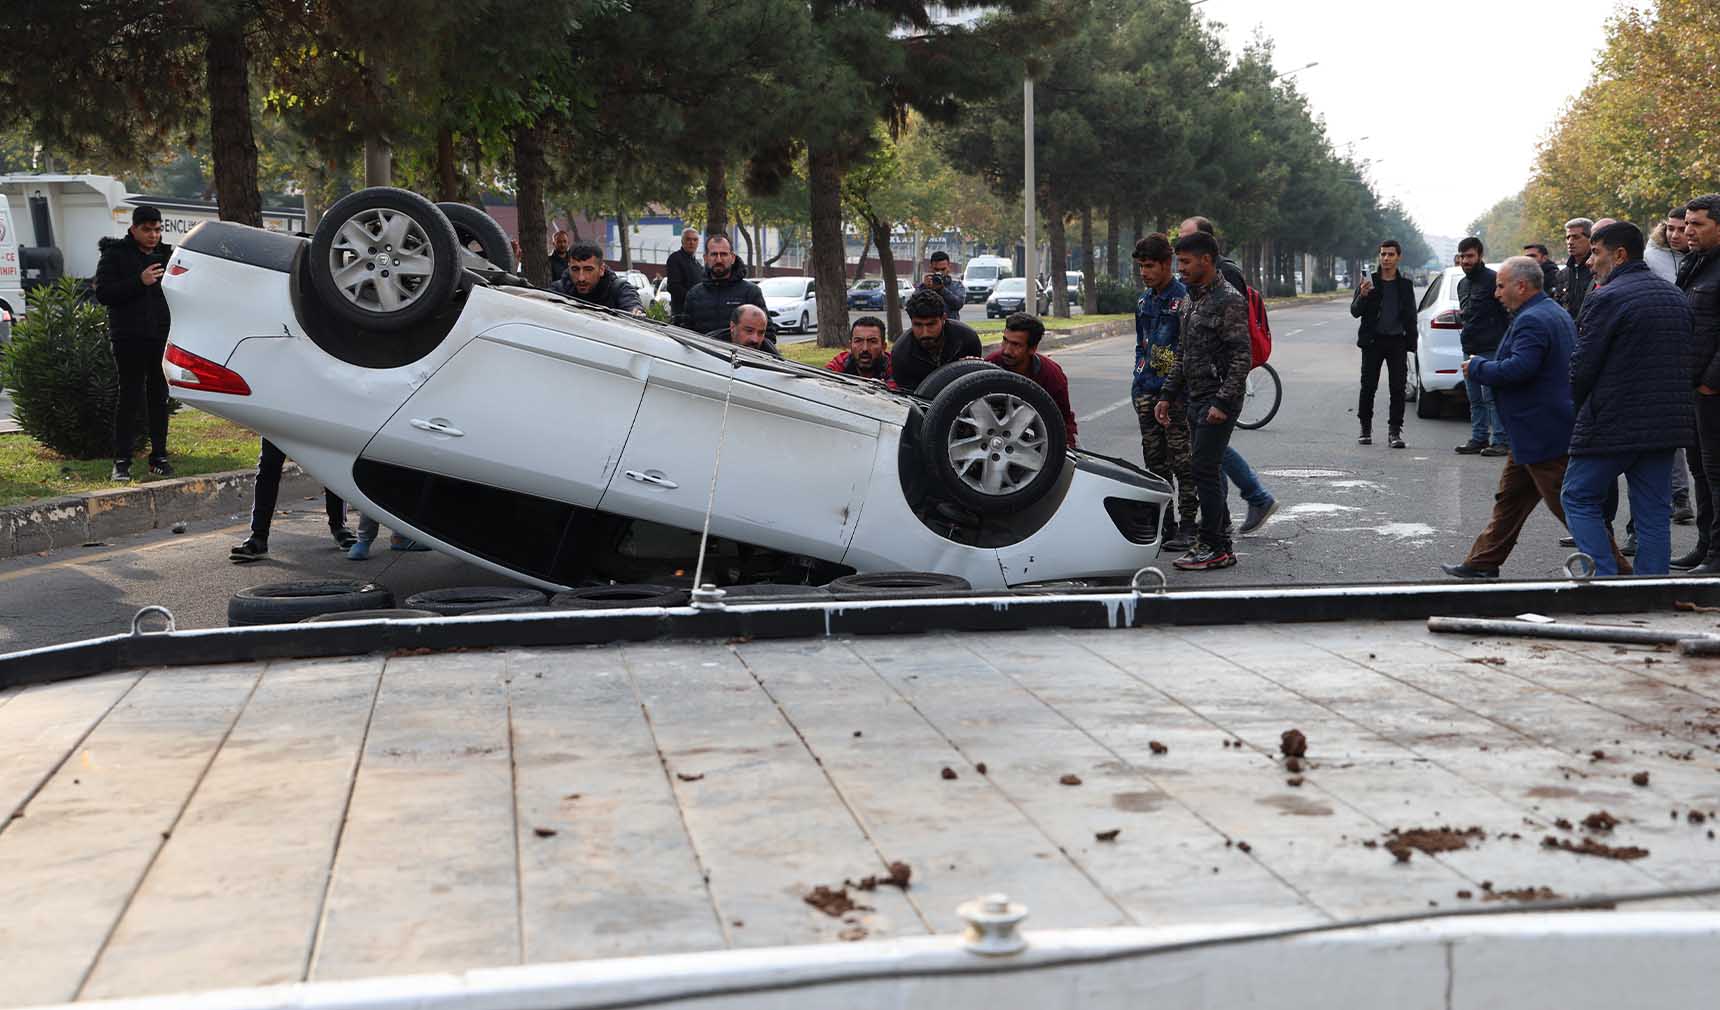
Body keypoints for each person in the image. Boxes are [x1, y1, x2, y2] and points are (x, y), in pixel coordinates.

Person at [1441, 258, 1626, 578]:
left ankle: (1620, 572)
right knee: (1510, 499)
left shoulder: (1534, 319)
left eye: (1501, 286)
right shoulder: (1550, 311)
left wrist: (1478, 368)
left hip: (1543, 432)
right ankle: (1483, 562)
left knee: (1572, 508)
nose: (1496, 293)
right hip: (1531, 431)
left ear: (1521, 286)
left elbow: (1520, 368)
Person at [1560, 222, 1693, 577]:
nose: (1590, 261)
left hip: (1612, 422)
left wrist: (1577, 409)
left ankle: (1604, 579)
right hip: (1665, 427)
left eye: (1597, 253)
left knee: (1577, 496)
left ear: (1619, 255)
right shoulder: (1675, 297)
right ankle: (1652, 589)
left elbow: (1582, 366)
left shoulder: (1606, 298)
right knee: (1652, 513)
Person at [1154, 230, 1251, 571]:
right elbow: (1182, 353)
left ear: (1206, 260)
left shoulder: (1229, 299)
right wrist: (1167, 394)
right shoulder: (1190, 300)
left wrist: (1223, 403)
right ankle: (1218, 540)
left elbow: (1242, 357)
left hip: (1217, 398)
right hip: (1193, 396)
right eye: (1178, 262)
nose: (1180, 269)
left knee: (1203, 470)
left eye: (1185, 262)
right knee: (1204, 469)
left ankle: (1214, 545)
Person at [1178, 216, 1279, 534]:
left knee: (1209, 454)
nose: (1179, 256)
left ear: (1204, 249)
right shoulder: (1194, 285)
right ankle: (1221, 517)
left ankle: (1231, 515)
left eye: (1185, 239)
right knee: (1207, 454)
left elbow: (1233, 338)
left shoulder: (1225, 278)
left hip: (1218, 382)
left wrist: (1223, 393)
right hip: (1199, 379)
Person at [94, 205, 174, 481]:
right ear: (134, 229)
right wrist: (139, 281)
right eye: (147, 229)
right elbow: (103, 293)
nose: (153, 235)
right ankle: (122, 461)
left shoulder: (166, 254)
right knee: (129, 397)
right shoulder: (115, 254)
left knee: (159, 398)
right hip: (128, 337)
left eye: (157, 229)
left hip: (160, 337)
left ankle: (159, 457)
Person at [1131, 234, 1198, 549]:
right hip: (1147, 391)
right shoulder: (1145, 301)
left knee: (1183, 463)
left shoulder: (1184, 298)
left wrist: (1173, 392)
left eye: (1149, 266)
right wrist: (1138, 383)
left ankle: (1188, 525)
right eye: (1141, 266)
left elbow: (1188, 350)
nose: (1144, 272)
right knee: (1155, 464)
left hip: (1176, 396)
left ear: (1166, 264)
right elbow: (1140, 346)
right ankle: (1165, 524)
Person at [1677, 194, 1720, 573]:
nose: (1688, 230)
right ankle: (1706, 547)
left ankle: (1717, 558)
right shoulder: (1695, 264)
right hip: (1692, 389)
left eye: (1697, 224)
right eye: (1687, 223)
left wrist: (1710, 383)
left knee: (1716, 473)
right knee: (1702, 474)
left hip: (1712, 392)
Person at [229, 439, 357, 562]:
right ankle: (258, 537)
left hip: (317, 420)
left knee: (330, 463)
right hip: (279, 420)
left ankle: (339, 527)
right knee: (268, 467)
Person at [1351, 238, 1418, 449]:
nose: (1386, 258)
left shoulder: (1405, 285)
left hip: (1397, 341)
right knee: (1368, 386)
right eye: (1383, 254)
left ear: (1398, 257)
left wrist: (1412, 343)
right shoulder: (1369, 282)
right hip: (1373, 341)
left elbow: (1411, 316)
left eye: (1390, 254)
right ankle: (1365, 428)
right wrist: (1362, 296)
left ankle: (1394, 432)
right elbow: (1354, 311)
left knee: (1398, 388)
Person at [986, 313, 1078, 447]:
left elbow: (1063, 418)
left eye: (1016, 345)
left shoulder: (1052, 375)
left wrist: (1067, 447)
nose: (1006, 350)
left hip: (1040, 436)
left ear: (1032, 349)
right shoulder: (990, 365)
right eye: (1005, 340)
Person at [1454, 237, 1510, 457]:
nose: (1465, 260)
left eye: (1470, 256)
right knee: (1474, 397)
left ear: (1479, 256)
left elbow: (1507, 312)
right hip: (1469, 347)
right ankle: (1478, 438)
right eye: (1462, 256)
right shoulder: (1462, 284)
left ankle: (1500, 441)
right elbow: (1467, 315)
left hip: (1491, 347)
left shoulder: (1493, 280)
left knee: (1492, 397)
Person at [891, 288, 983, 392]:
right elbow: (908, 398)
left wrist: (972, 366)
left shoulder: (966, 339)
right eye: (918, 325)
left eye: (931, 324)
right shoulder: (901, 353)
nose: (925, 333)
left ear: (943, 318)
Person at [675, 234, 767, 334]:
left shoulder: (750, 292)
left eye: (723, 254)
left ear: (732, 258)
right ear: (706, 258)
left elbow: (767, 332)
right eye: (714, 254)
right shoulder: (694, 295)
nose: (719, 260)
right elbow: (686, 335)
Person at [549, 241, 644, 312]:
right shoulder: (558, 290)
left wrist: (635, 312)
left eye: (588, 269)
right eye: (575, 269)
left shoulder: (619, 289)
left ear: (601, 269)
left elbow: (632, 307)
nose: (581, 278)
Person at [825, 316, 893, 384]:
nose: (865, 349)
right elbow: (824, 381)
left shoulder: (895, 367)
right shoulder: (841, 363)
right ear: (850, 345)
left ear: (884, 347)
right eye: (858, 341)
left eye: (872, 341)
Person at [915, 250, 966, 319]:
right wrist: (925, 288)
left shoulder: (956, 285)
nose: (939, 272)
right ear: (931, 267)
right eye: (936, 269)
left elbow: (958, 305)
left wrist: (942, 289)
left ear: (949, 267)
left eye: (943, 269)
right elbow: (914, 306)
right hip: (929, 326)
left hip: (950, 326)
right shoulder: (925, 285)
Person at [714, 304, 780, 357]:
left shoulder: (770, 353)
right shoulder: (711, 346)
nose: (755, 339)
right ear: (733, 327)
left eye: (761, 333)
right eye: (749, 331)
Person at [1560, 218, 1595, 319]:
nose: (1570, 242)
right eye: (1568, 237)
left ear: (1591, 239)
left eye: (1576, 237)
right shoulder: (1562, 274)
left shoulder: (1599, 271)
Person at [665, 228, 702, 320]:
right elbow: (673, 287)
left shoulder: (697, 264)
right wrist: (694, 299)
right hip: (682, 314)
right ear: (682, 241)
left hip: (697, 313)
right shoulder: (675, 259)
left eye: (695, 240)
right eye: (688, 239)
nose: (692, 242)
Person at [1646, 207, 1688, 284]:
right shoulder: (1649, 257)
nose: (1675, 236)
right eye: (1671, 229)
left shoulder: (1702, 256)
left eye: (1682, 230)